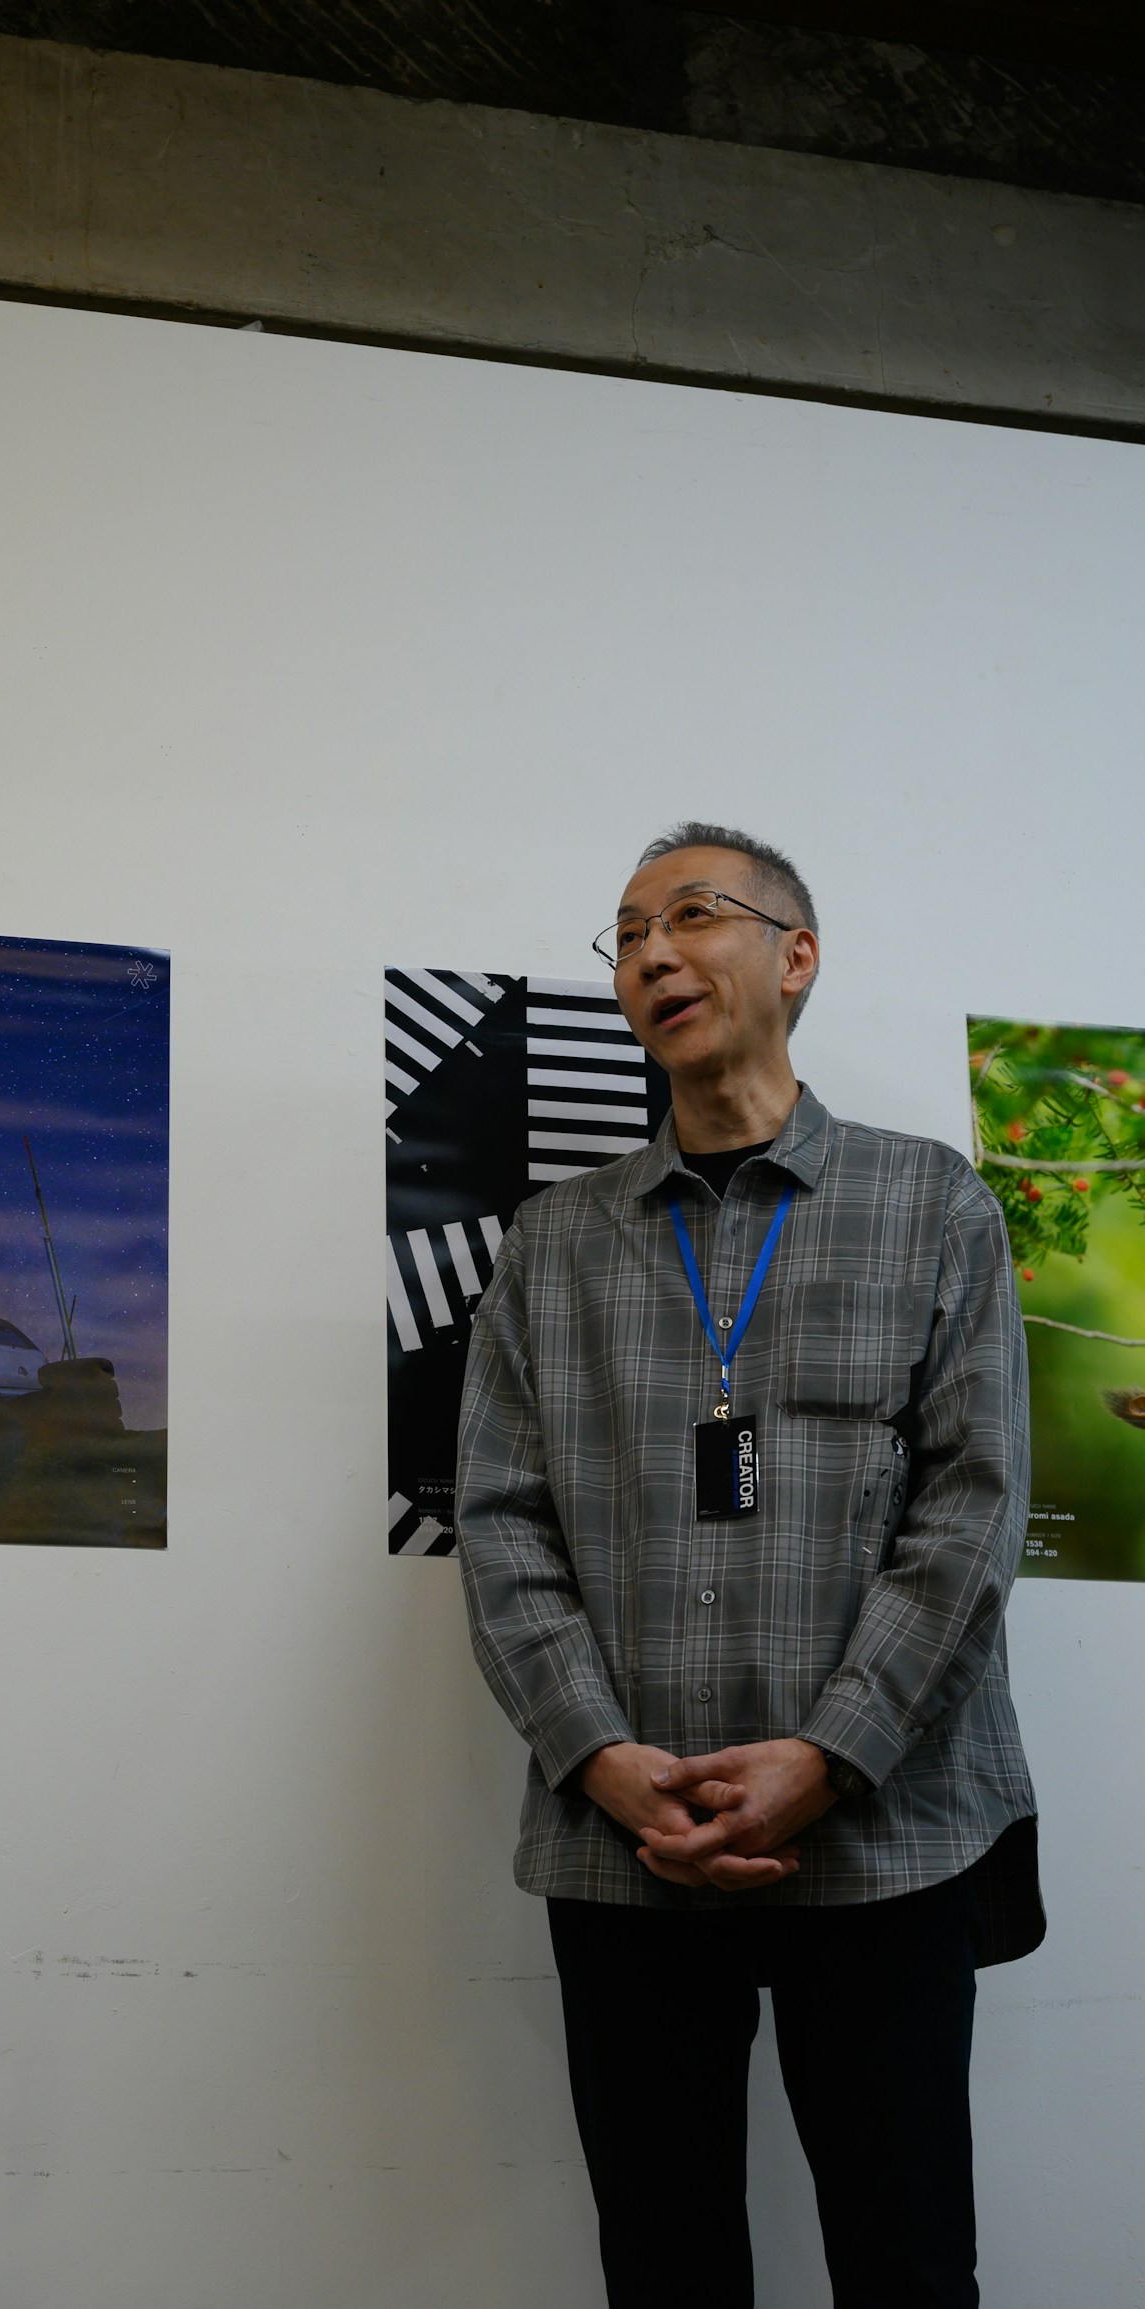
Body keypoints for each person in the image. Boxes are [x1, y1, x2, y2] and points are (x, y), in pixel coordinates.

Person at [454, 823, 1042, 2309]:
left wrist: (831, 1753)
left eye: (692, 915)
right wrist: (598, 1756)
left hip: (886, 1838)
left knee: (908, 2266)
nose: (650, 952)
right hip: (625, 1852)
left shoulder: (934, 1208)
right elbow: (504, 1520)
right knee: (663, 2268)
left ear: (796, 955)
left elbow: (975, 1512)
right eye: (627, 934)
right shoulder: (553, 1242)